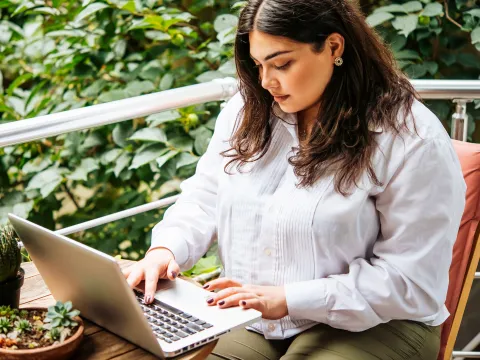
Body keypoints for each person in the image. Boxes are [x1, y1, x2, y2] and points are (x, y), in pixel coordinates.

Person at [123, 0, 467, 358]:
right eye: (258, 65)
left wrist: (290, 298)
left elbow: (411, 282)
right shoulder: (248, 108)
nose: (266, 81)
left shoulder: (411, 138)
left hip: (380, 323)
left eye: (282, 63)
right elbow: (207, 194)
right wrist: (166, 248)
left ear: (334, 46)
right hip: (256, 315)